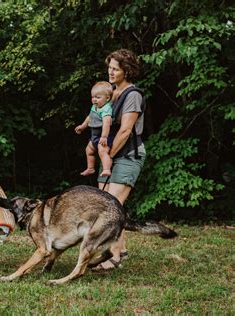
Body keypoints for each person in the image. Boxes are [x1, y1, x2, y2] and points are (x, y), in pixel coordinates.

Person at [94, 48, 146, 270]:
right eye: (109, 68)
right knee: (106, 204)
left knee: (110, 208)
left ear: (127, 70)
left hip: (127, 156)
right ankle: (120, 250)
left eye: (116, 69)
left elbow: (125, 131)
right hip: (111, 157)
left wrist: (109, 155)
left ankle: (112, 258)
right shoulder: (111, 93)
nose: (111, 72)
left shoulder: (133, 95)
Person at [75, 81, 114, 177]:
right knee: (89, 150)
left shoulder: (106, 109)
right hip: (94, 136)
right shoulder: (95, 107)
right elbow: (90, 117)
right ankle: (91, 168)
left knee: (102, 151)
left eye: (98, 97)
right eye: (93, 97)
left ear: (107, 98)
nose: (94, 100)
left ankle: (106, 169)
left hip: (104, 136)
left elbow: (106, 124)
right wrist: (83, 126)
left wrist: (104, 137)